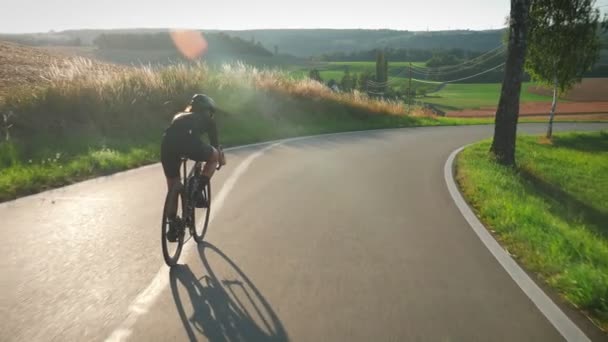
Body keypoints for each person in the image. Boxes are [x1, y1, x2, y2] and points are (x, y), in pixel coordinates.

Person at [161, 94, 226, 241]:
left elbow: (177, 134)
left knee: (173, 185)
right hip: (189, 143)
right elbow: (215, 146)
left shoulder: (179, 115)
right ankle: (197, 189)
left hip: (167, 145)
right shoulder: (208, 120)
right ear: (208, 110)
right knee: (213, 156)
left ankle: (172, 224)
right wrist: (220, 158)